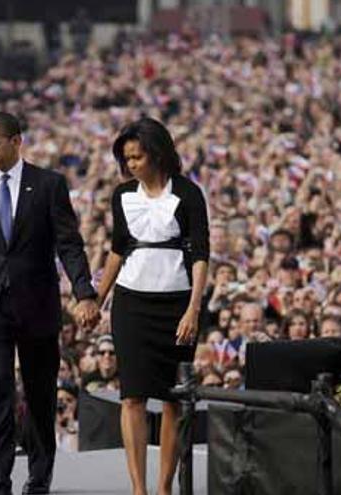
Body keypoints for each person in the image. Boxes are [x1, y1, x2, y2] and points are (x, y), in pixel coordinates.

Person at [0, 112, 100, 495]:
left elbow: (69, 243)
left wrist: (84, 292)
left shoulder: (48, 185)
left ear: (17, 142)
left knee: (39, 395)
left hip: (37, 305)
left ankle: (39, 478)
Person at [95, 117, 209, 495]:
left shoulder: (189, 194)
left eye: (137, 156)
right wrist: (97, 299)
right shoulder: (122, 196)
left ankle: (164, 487)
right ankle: (139, 489)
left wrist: (194, 308)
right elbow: (117, 250)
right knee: (132, 396)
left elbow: (201, 254)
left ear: (157, 153)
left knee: (172, 398)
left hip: (176, 303)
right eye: (126, 158)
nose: (131, 165)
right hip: (130, 301)